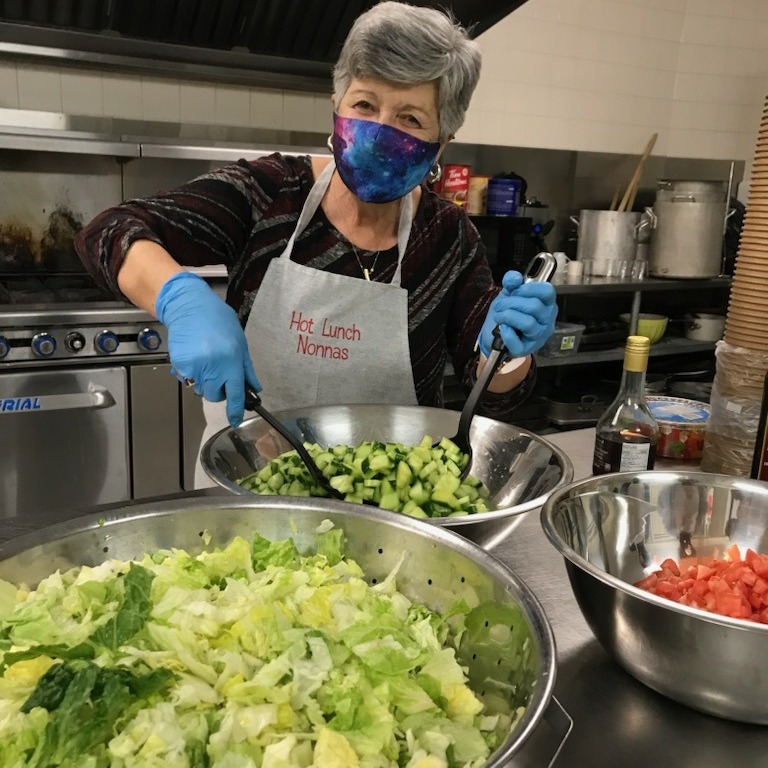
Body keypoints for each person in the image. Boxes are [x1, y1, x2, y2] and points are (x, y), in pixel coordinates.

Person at [75, 0, 558, 488]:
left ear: (443, 141)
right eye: (365, 105)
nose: (379, 132)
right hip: (248, 491)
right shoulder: (269, 193)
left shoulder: (448, 238)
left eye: (410, 118)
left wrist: (510, 354)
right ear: (337, 104)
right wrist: (179, 295)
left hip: (386, 507)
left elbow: (497, 399)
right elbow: (110, 230)